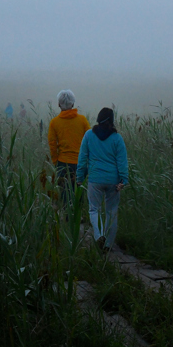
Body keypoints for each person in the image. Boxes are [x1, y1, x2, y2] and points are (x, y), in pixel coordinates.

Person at [77, 107, 129, 253]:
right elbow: (122, 161)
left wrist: (80, 178)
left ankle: (99, 235)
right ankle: (108, 246)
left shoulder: (88, 136)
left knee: (94, 209)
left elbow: (82, 159)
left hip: (95, 180)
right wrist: (123, 180)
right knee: (111, 212)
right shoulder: (117, 139)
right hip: (113, 180)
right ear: (112, 121)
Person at [47, 89, 90, 212]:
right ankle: (78, 218)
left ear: (59, 104)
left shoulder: (54, 122)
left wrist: (56, 161)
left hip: (63, 163)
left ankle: (67, 218)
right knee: (79, 192)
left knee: (65, 193)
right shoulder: (82, 120)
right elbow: (90, 140)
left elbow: (52, 144)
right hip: (80, 163)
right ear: (73, 104)